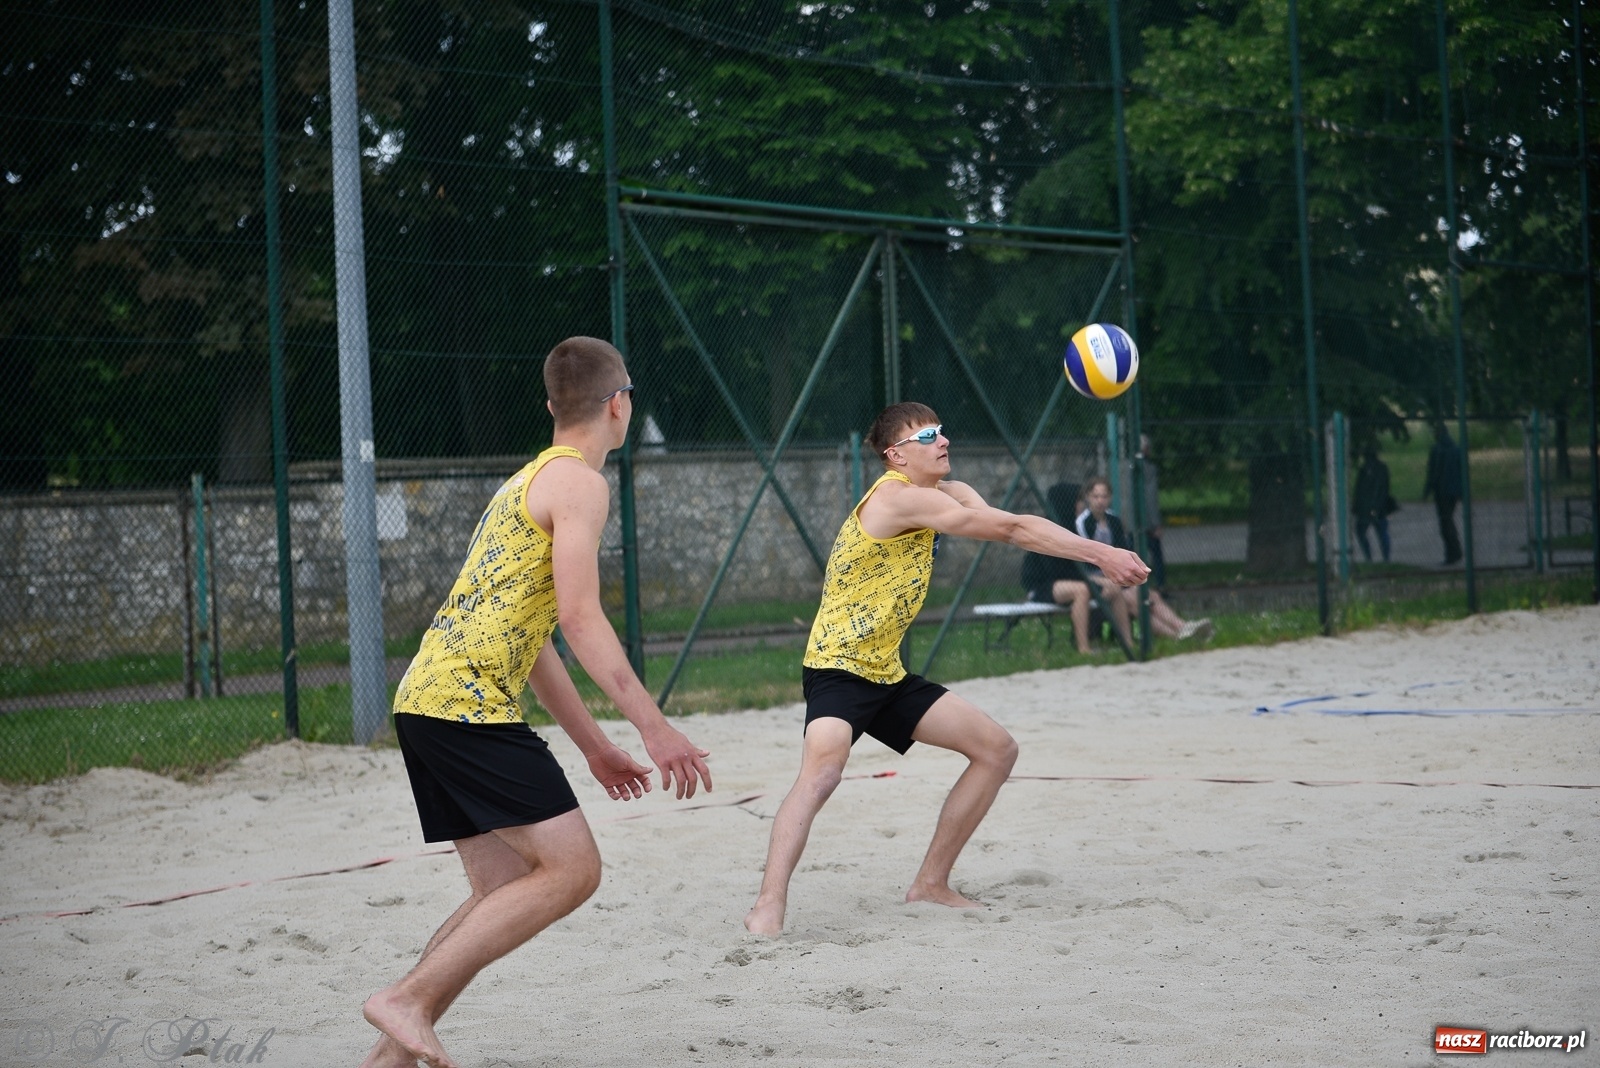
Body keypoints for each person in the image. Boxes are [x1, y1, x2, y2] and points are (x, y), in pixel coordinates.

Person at [362, 337, 713, 1068]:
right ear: (619, 405)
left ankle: (391, 1056)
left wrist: (595, 746)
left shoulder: (525, 481)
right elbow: (581, 619)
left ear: (553, 405)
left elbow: (539, 637)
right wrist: (654, 728)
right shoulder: (581, 484)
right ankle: (407, 1000)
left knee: (504, 888)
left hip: (428, 699)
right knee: (573, 870)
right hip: (464, 705)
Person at [743, 403, 1150, 936]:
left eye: (941, 430)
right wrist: (1101, 553)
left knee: (997, 750)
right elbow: (1011, 529)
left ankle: (931, 884)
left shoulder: (944, 493)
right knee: (820, 776)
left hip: (887, 673)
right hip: (837, 668)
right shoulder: (896, 498)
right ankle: (767, 906)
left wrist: (1060, 541)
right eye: (927, 435)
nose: (943, 440)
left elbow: (1004, 523)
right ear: (896, 456)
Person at [1074, 477, 1211, 644]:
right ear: (1088, 497)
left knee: (1150, 595)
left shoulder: (1113, 520)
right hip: (1096, 577)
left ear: (1110, 498)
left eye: (1104, 496)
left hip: (1117, 576)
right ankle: (1176, 636)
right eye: (1096, 496)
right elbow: (1087, 558)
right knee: (1133, 600)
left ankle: (1183, 627)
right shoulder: (1082, 523)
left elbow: (1122, 549)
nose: (1100, 501)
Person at [1019, 482, 1099, 655]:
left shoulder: (1072, 526)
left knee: (1112, 587)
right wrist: (1088, 581)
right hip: (1042, 586)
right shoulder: (1046, 529)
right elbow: (1055, 571)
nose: (1081, 505)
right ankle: (1083, 648)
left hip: (1066, 581)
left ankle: (1126, 642)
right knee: (1082, 590)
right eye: (1078, 500)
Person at [1423, 423, 1464, 565]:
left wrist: (1427, 490)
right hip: (1454, 491)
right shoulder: (1456, 449)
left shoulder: (1437, 449)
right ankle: (1455, 551)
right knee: (1448, 520)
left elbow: (1433, 472)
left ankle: (1452, 553)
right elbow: (1461, 471)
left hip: (1441, 491)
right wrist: (1462, 493)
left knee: (1445, 523)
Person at [1351, 444, 1394, 563]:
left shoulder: (1365, 469)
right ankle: (1385, 558)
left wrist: (1357, 506)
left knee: (1362, 532)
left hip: (1367, 508)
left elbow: (1359, 490)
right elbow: (1384, 488)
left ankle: (1370, 557)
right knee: (1381, 532)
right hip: (1379, 507)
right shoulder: (1382, 468)